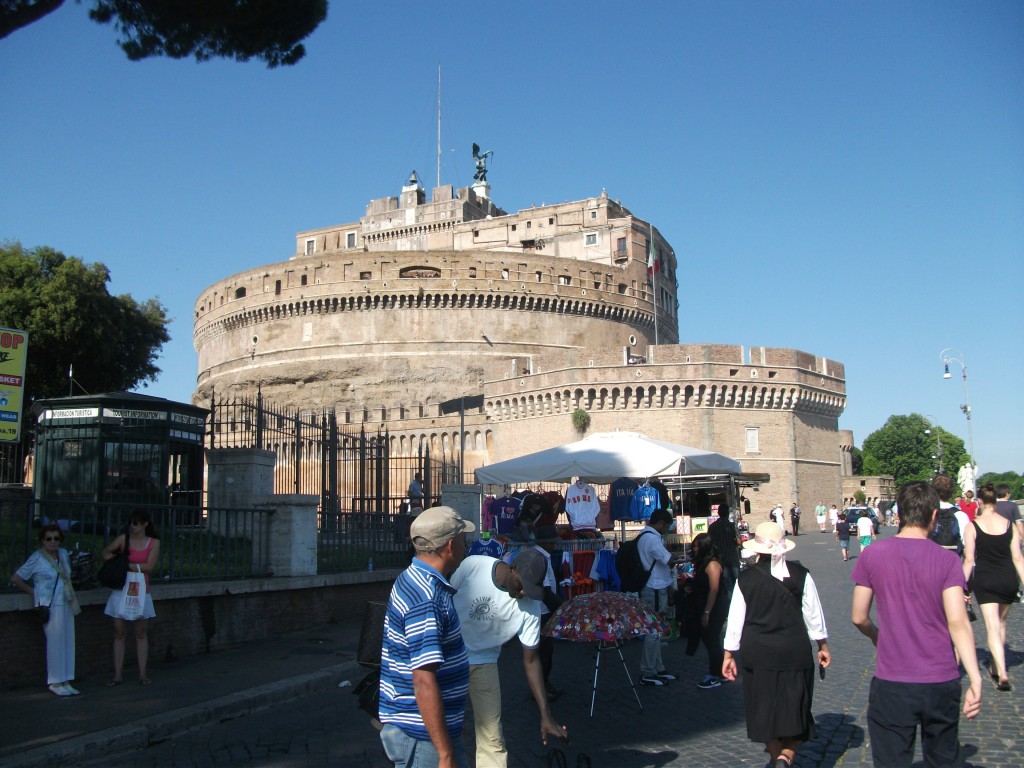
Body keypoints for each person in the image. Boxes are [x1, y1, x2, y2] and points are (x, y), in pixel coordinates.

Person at [851, 481, 982, 767]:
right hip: (940, 678)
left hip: (892, 680)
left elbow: (859, 616)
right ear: (934, 515)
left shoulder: (872, 554)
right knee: (943, 759)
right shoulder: (947, 560)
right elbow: (958, 621)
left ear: (899, 513)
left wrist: (876, 636)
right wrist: (975, 677)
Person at [722, 522, 830, 768]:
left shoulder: (745, 579)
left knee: (762, 709)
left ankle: (777, 757)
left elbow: (735, 619)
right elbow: (814, 614)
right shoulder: (801, 575)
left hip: (757, 652)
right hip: (794, 649)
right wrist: (822, 645)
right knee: (798, 706)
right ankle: (787, 755)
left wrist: (729, 653)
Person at [450, 549, 568, 767]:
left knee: (492, 739)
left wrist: (545, 713)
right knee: (443, 730)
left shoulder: (530, 607)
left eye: (530, 590)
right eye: (522, 585)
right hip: (450, 655)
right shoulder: (474, 566)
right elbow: (444, 597)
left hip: (484, 661)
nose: (523, 593)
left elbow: (531, 660)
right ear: (512, 568)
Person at [379, 506, 475, 768]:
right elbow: (423, 680)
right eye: (463, 538)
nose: (466, 545)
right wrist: (445, 753)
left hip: (429, 731)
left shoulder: (413, 577)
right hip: (424, 738)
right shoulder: (427, 598)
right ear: (450, 546)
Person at [962, 484, 1024, 692]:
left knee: (992, 626)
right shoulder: (1009, 525)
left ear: (979, 501)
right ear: (995, 501)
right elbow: (1018, 558)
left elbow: (969, 560)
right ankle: (997, 667)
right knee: (1002, 624)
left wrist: (962, 586)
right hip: (1007, 578)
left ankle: (1002, 672)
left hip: (986, 579)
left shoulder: (973, 526)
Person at [11, 524, 81, 696]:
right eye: (48, 538)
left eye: (56, 538)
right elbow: (16, 578)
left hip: (66, 601)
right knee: (55, 643)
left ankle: (66, 679)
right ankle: (55, 681)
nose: (52, 542)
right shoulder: (37, 558)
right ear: (42, 540)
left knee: (68, 641)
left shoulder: (63, 554)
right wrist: (34, 592)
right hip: (50, 604)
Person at [101, 509, 160, 685]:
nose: (133, 527)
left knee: (140, 632)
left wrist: (128, 565)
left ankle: (142, 673)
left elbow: (150, 565)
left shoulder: (153, 542)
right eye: (131, 523)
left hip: (140, 588)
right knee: (119, 631)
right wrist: (117, 561)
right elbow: (105, 552)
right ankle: (117, 675)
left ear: (145, 524)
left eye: (136, 523)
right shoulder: (123, 540)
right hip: (122, 587)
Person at [637, 508, 681, 686]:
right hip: (654, 587)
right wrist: (676, 558)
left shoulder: (644, 536)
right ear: (661, 523)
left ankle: (657, 667)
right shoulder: (652, 539)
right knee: (653, 631)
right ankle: (648, 670)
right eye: (667, 526)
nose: (667, 529)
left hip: (654, 586)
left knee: (655, 631)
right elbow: (667, 560)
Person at [688, 533, 728, 690]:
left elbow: (714, 589)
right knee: (709, 639)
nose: (694, 549)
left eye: (697, 546)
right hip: (706, 603)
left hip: (715, 605)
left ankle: (715, 674)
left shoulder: (712, 564)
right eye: (694, 546)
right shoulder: (702, 563)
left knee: (711, 638)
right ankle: (721, 671)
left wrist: (706, 613)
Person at [707, 502, 740, 595]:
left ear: (718, 513)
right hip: (732, 556)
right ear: (728, 513)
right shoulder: (732, 526)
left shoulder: (712, 527)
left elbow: (709, 543)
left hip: (720, 559)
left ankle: (729, 599)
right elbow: (739, 541)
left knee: (726, 584)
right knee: (738, 582)